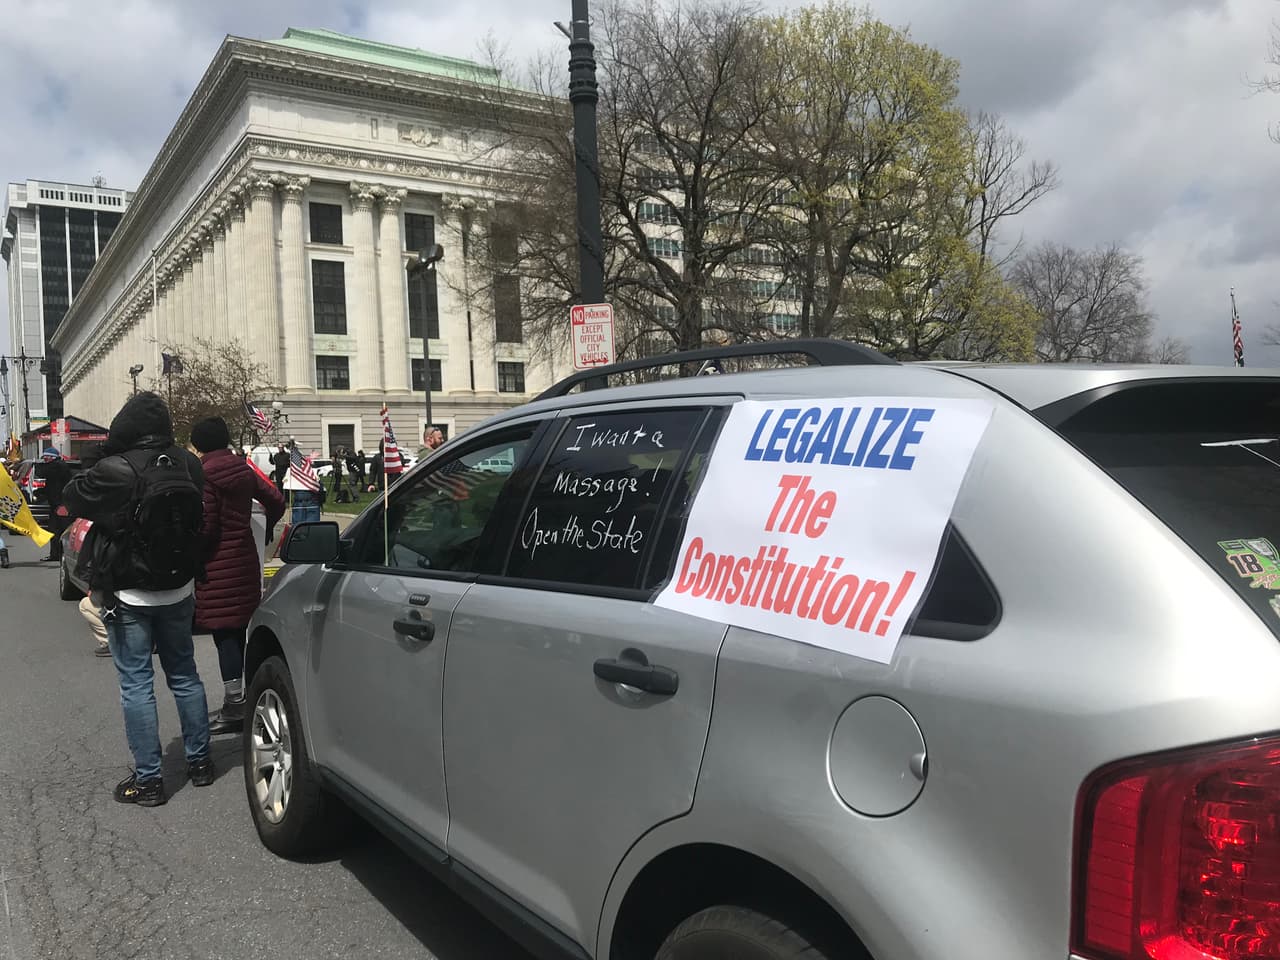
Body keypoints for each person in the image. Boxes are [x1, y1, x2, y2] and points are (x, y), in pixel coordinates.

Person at [62, 392, 214, 807]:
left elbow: (72, 496)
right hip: (180, 584)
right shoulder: (189, 463)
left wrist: (103, 455)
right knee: (184, 674)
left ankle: (149, 780)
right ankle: (200, 763)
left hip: (129, 590)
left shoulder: (116, 468)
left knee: (137, 685)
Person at [189, 416, 285, 735]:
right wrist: (266, 528)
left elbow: (207, 525)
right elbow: (275, 499)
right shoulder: (242, 468)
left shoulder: (205, 474)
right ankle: (245, 698)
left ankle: (234, 704)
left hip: (217, 563)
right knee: (241, 630)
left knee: (224, 636)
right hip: (244, 557)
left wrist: (192, 555)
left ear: (200, 443)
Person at [40, 447, 72, 562]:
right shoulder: (58, 466)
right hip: (56, 504)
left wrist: (60, 504)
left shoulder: (57, 466)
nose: (44, 459)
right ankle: (56, 554)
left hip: (61, 504)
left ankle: (62, 555)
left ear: (52, 457)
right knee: (54, 530)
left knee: (61, 530)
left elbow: (44, 472)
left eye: (46, 457)